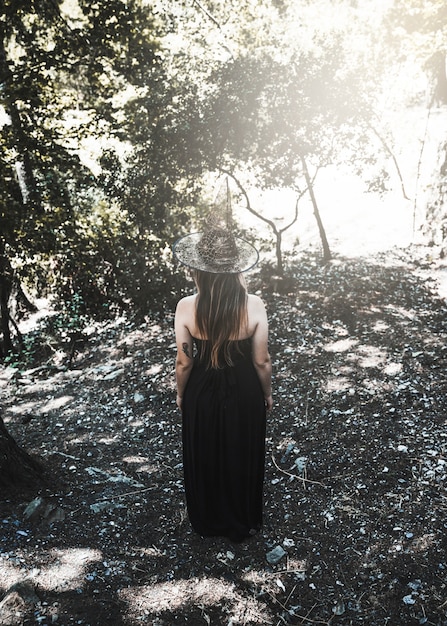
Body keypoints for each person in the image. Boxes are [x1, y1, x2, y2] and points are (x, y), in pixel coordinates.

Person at [172, 198, 272, 542]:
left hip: (202, 386)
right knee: (240, 446)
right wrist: (267, 393)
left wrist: (182, 394)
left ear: (197, 268)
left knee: (205, 448)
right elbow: (261, 360)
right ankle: (241, 517)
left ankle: (208, 518)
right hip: (244, 387)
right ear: (235, 268)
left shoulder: (186, 307)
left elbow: (184, 360)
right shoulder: (254, 305)